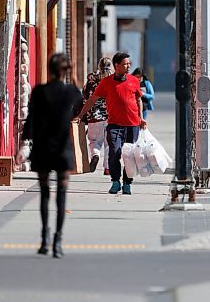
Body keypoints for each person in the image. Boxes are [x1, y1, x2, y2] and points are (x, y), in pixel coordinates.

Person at [19, 53, 82, 258]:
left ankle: (44, 238)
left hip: (43, 148)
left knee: (45, 193)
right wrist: (71, 74)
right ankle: (58, 240)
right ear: (66, 70)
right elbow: (80, 98)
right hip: (63, 149)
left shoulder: (39, 91)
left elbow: (31, 119)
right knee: (62, 195)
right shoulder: (70, 92)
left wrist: (24, 142)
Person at [74, 52, 146, 195]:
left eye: (129, 63)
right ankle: (115, 181)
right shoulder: (106, 83)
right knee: (114, 152)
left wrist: (141, 118)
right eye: (125, 64)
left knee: (130, 156)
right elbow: (92, 100)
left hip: (132, 125)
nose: (128, 66)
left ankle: (127, 183)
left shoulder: (133, 81)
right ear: (117, 66)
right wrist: (80, 115)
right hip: (114, 124)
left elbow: (138, 100)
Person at [82, 57, 113, 174]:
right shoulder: (113, 80)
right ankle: (108, 167)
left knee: (95, 141)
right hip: (110, 116)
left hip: (94, 116)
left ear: (99, 66)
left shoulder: (91, 81)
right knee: (109, 143)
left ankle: (95, 155)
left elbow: (85, 96)